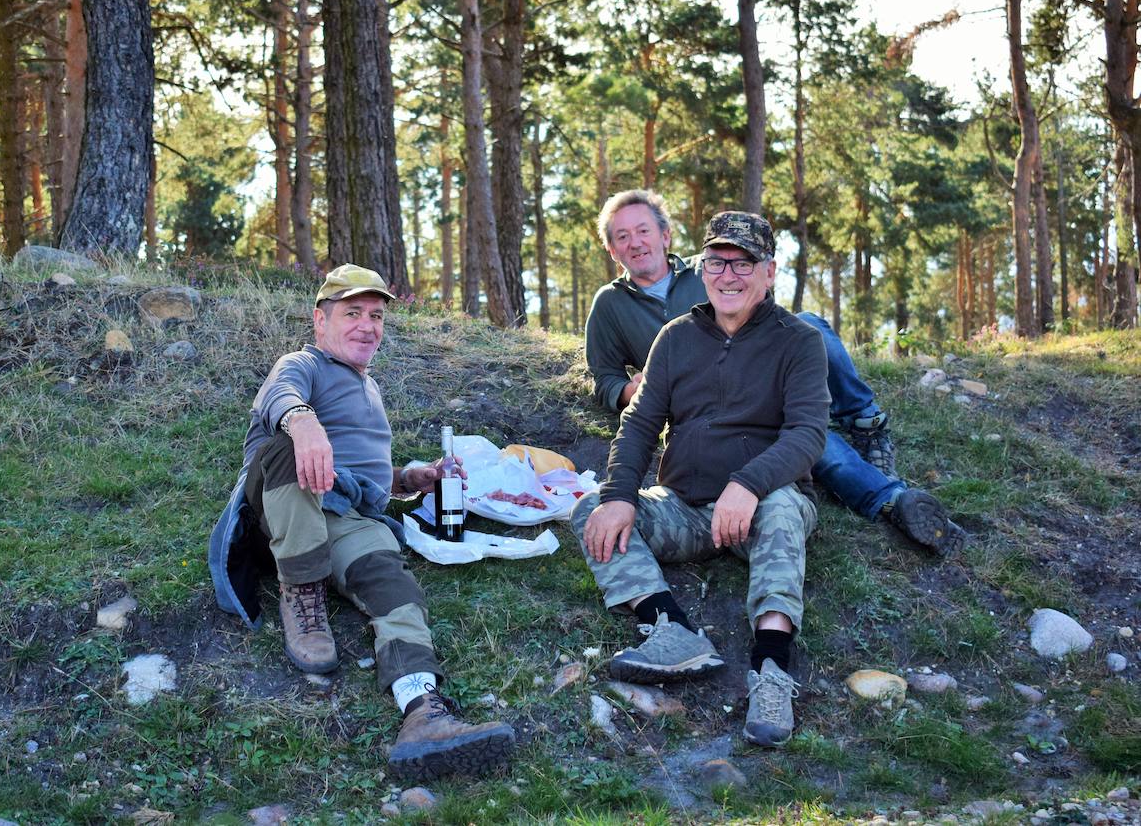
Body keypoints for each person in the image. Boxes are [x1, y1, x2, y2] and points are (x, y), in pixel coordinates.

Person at [208, 264, 514, 780]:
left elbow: (358, 474)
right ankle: (301, 594)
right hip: (284, 511)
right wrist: (302, 422)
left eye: (376, 316)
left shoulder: (368, 388)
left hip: (349, 518)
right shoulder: (303, 363)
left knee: (392, 585)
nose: (367, 325)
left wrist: (411, 478)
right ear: (319, 321)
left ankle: (422, 711)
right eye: (352, 313)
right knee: (287, 447)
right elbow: (277, 396)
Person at [584, 189, 965, 556]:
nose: (635, 243)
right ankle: (891, 500)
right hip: (697, 404)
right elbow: (603, 376)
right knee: (816, 448)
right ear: (611, 249)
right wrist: (627, 391)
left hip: (766, 385)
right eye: (622, 236)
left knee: (809, 341)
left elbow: (766, 318)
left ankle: (865, 422)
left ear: (665, 236)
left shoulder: (711, 267)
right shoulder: (610, 305)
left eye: (643, 231)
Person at [572, 211, 826, 748]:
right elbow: (639, 423)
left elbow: (807, 435)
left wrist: (750, 483)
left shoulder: (799, 341)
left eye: (743, 263)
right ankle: (670, 630)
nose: (727, 275)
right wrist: (618, 496)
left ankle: (771, 672)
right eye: (716, 262)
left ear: (769, 272)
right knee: (592, 508)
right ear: (702, 267)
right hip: (686, 507)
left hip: (763, 506)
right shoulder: (676, 336)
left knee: (782, 509)